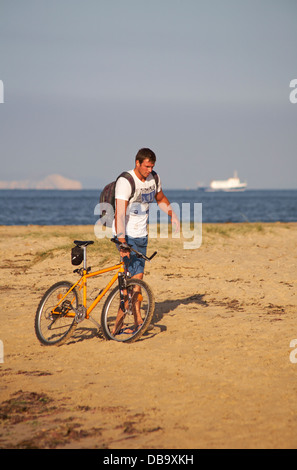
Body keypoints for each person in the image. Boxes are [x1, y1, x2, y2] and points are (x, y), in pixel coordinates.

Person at [112, 147, 179, 335]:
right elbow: (119, 213)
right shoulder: (126, 181)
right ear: (138, 163)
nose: (150, 170)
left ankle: (133, 321)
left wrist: (172, 214)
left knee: (137, 281)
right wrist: (122, 242)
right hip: (125, 234)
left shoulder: (154, 178)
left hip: (142, 235)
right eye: (147, 166)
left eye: (152, 167)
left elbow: (160, 198)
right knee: (128, 282)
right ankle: (128, 321)